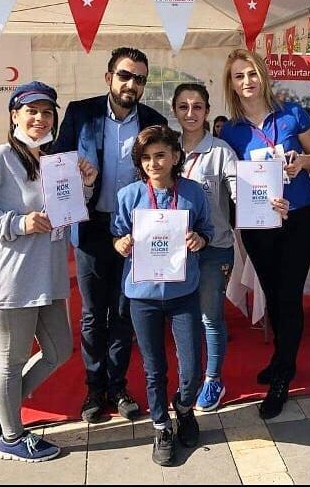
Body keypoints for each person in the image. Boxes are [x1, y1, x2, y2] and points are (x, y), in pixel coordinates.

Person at [0, 82, 98, 462]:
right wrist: (18, 224)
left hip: (49, 276)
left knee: (59, 350)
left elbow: (67, 211)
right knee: (12, 359)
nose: (40, 118)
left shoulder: (54, 161)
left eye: (47, 112)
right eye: (31, 111)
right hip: (13, 279)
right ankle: (12, 437)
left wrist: (84, 186)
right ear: (15, 115)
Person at [52, 47, 167, 423]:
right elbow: (57, 163)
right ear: (109, 78)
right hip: (91, 226)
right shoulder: (81, 114)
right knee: (92, 313)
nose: (132, 84)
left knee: (123, 311)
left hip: (135, 230)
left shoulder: (153, 120)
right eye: (125, 75)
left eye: (139, 79)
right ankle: (94, 388)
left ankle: (117, 387)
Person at [171, 83, 289, 412]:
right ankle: (189, 377)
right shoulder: (168, 148)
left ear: (207, 111)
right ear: (175, 111)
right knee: (184, 319)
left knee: (210, 317)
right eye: (183, 107)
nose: (191, 113)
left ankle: (213, 379)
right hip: (174, 252)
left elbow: (241, 192)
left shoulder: (221, 151)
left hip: (214, 248)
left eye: (197, 107)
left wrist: (268, 205)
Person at [219, 48, 310, 419]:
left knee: (288, 297)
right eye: (239, 76)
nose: (247, 81)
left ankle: (282, 374)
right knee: (273, 295)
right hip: (259, 225)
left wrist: (303, 162)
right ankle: (283, 358)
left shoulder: (292, 113)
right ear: (231, 84)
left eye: (251, 73)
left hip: (298, 218)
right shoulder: (230, 131)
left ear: (262, 75)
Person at [111, 125, 214, 466]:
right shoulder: (129, 195)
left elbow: (207, 230)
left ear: (175, 156)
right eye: (146, 158)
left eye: (160, 155)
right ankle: (161, 426)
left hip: (183, 291)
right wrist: (121, 243)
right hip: (143, 295)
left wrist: (200, 239)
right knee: (154, 367)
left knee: (192, 368)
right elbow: (117, 234)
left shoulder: (193, 192)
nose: (153, 164)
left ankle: (183, 407)